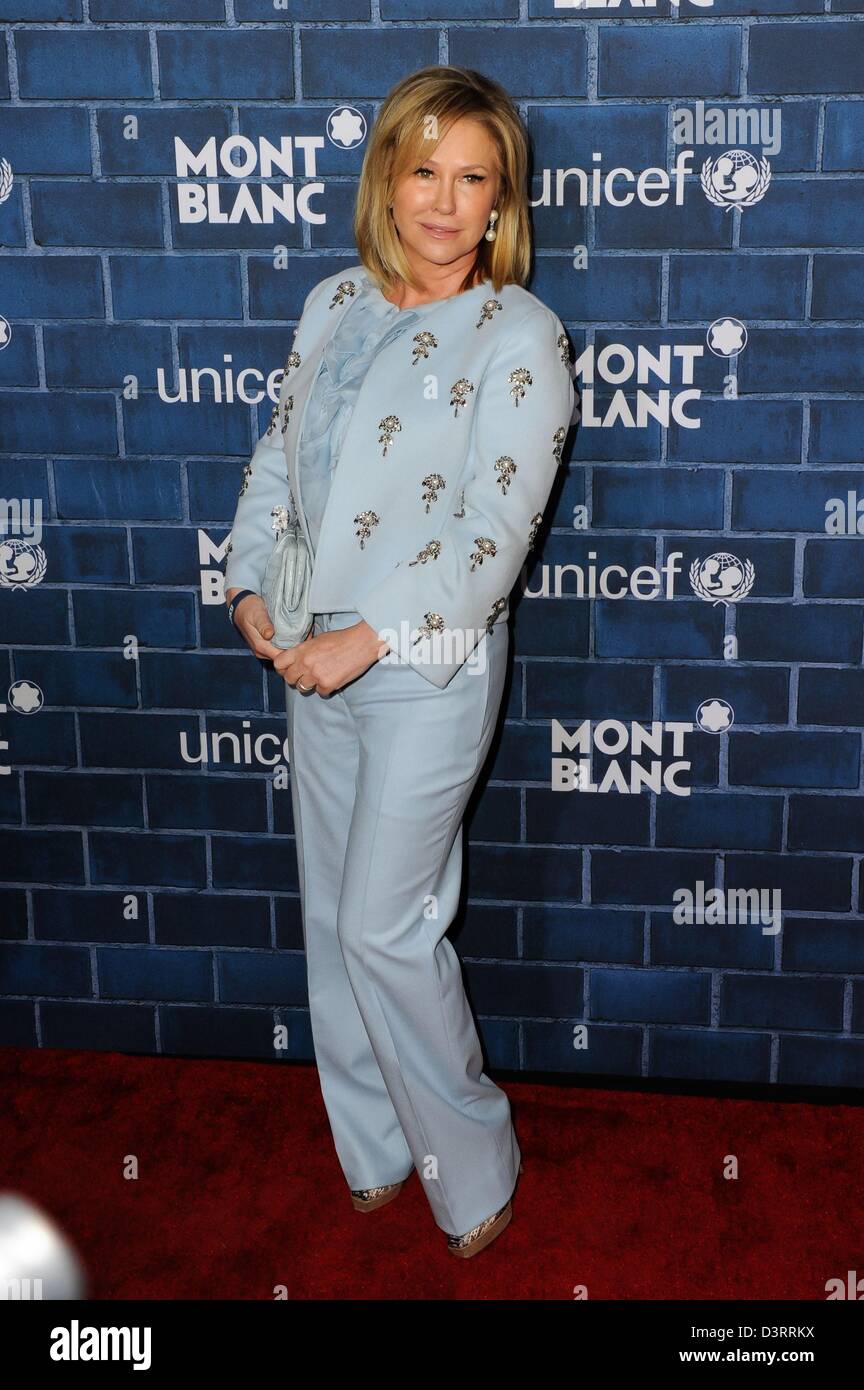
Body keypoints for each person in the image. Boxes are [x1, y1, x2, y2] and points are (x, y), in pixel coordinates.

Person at [224, 64, 575, 1259]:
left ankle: (473, 1167)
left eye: (474, 178)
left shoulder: (520, 332)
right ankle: (374, 1150)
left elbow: (492, 531)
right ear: (386, 174)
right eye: (424, 169)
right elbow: (281, 464)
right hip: (309, 658)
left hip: (424, 668)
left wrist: (358, 639)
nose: (444, 200)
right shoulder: (331, 304)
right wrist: (248, 587)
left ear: (501, 201)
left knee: (386, 923)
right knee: (332, 919)